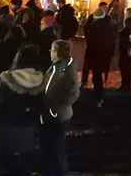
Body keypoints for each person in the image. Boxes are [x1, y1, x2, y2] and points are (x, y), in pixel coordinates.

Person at [0, 44, 46, 174]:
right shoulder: (42, 79)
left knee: (9, 155)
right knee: (27, 153)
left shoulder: (7, 78)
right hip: (31, 121)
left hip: (8, 121)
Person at [42, 40, 80, 173]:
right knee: (53, 145)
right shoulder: (60, 66)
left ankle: (58, 171)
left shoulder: (63, 68)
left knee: (55, 146)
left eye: (52, 50)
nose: (50, 53)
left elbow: (72, 92)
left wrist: (55, 107)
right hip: (57, 112)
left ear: (57, 52)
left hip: (57, 114)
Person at [84, 7, 116, 107]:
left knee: (97, 74)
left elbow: (91, 41)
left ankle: (98, 95)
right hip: (104, 54)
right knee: (98, 73)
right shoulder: (109, 26)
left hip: (96, 53)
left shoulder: (95, 27)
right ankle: (98, 93)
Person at [118, 7, 131, 92]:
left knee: (125, 68)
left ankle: (125, 85)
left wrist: (121, 34)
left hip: (126, 48)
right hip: (129, 48)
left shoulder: (129, 22)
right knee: (128, 68)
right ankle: (126, 85)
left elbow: (126, 34)